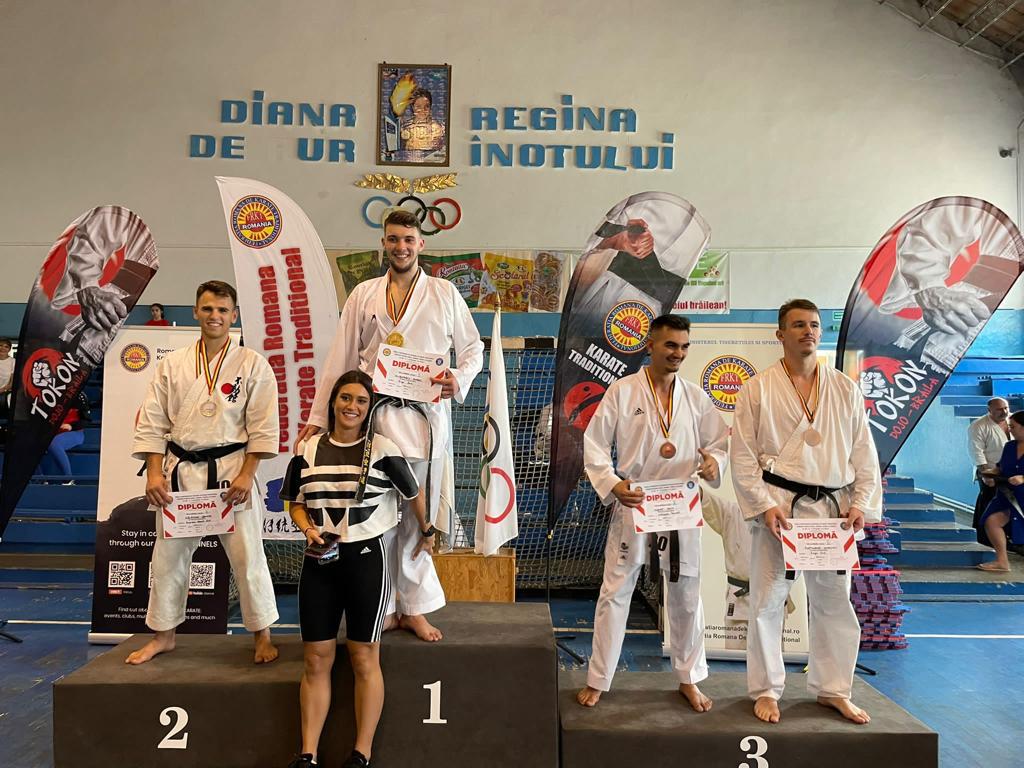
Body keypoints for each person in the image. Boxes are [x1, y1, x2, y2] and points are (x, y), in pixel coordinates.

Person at [296, 209, 483, 642]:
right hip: (373, 419)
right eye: (394, 239)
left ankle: (413, 608)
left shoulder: (444, 292)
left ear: (421, 244)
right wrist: (318, 417)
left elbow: (472, 347)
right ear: (384, 243)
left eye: (408, 240)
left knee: (418, 518)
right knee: (376, 517)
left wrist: (458, 378)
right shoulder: (364, 294)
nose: (401, 247)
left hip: (423, 419)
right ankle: (384, 604)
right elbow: (342, 356)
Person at [731, 299, 881, 725]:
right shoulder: (757, 388)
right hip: (780, 508)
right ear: (780, 334)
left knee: (834, 601)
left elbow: (863, 452)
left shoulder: (844, 388)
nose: (808, 331)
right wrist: (762, 505)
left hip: (833, 511)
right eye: (798, 325)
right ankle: (766, 690)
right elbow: (742, 455)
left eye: (814, 324)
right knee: (767, 601)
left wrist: (860, 502)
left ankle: (834, 689)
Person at [577, 314, 728, 711]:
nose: (678, 353)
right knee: (616, 591)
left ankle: (689, 678)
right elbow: (595, 443)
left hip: (681, 502)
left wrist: (713, 463)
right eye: (670, 345)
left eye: (684, 346)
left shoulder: (694, 397)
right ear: (650, 345)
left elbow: (719, 442)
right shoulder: (623, 391)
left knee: (686, 593)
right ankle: (599, 678)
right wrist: (613, 483)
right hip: (636, 499)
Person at [126, 280, 280, 665]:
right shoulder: (173, 364)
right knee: (168, 559)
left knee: (247, 556)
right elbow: (153, 422)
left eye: (223, 310)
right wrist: (154, 473)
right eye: (208, 309)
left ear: (234, 315)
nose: (215, 316)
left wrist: (247, 474)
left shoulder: (252, 364)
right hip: (181, 473)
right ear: (195, 311)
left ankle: (262, 635)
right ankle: (164, 635)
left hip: (231, 472)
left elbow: (263, 426)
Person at [282, 370, 429, 768]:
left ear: (369, 408)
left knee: (364, 657)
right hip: (319, 561)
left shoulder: (383, 448)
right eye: (345, 398)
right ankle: (308, 754)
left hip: (366, 561)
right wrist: (308, 529)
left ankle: (361, 754)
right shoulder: (307, 449)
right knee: (316, 659)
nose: (352, 407)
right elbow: (295, 502)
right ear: (333, 402)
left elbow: (414, 493)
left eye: (361, 401)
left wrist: (427, 530)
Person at [977, 410, 1024, 572]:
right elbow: (1000, 467)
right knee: (991, 521)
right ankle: (1002, 561)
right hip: (1007, 494)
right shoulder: (1009, 446)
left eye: (1013, 427)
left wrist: (1023, 478)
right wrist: (990, 474)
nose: (1010, 430)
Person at [968, 398, 1010, 541]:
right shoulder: (978, 425)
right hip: (990, 469)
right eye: (999, 409)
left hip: (1011, 470)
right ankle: (984, 537)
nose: (1004, 412)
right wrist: (986, 474)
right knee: (988, 502)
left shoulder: (1014, 421)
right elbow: (976, 452)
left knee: (1009, 504)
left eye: (1006, 408)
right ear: (989, 410)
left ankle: (1007, 537)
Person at [39, 389, 90, 482]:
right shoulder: (47, 394)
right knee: (29, 442)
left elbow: (85, 420)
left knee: (54, 443)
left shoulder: (79, 396)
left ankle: (68, 479)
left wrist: (71, 426)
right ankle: (40, 479)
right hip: (52, 432)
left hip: (74, 432)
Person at [400, 87, 445, 152]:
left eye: (426, 106)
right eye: (418, 106)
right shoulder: (405, 127)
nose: (423, 110)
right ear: (412, 107)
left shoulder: (436, 128)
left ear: (430, 107)